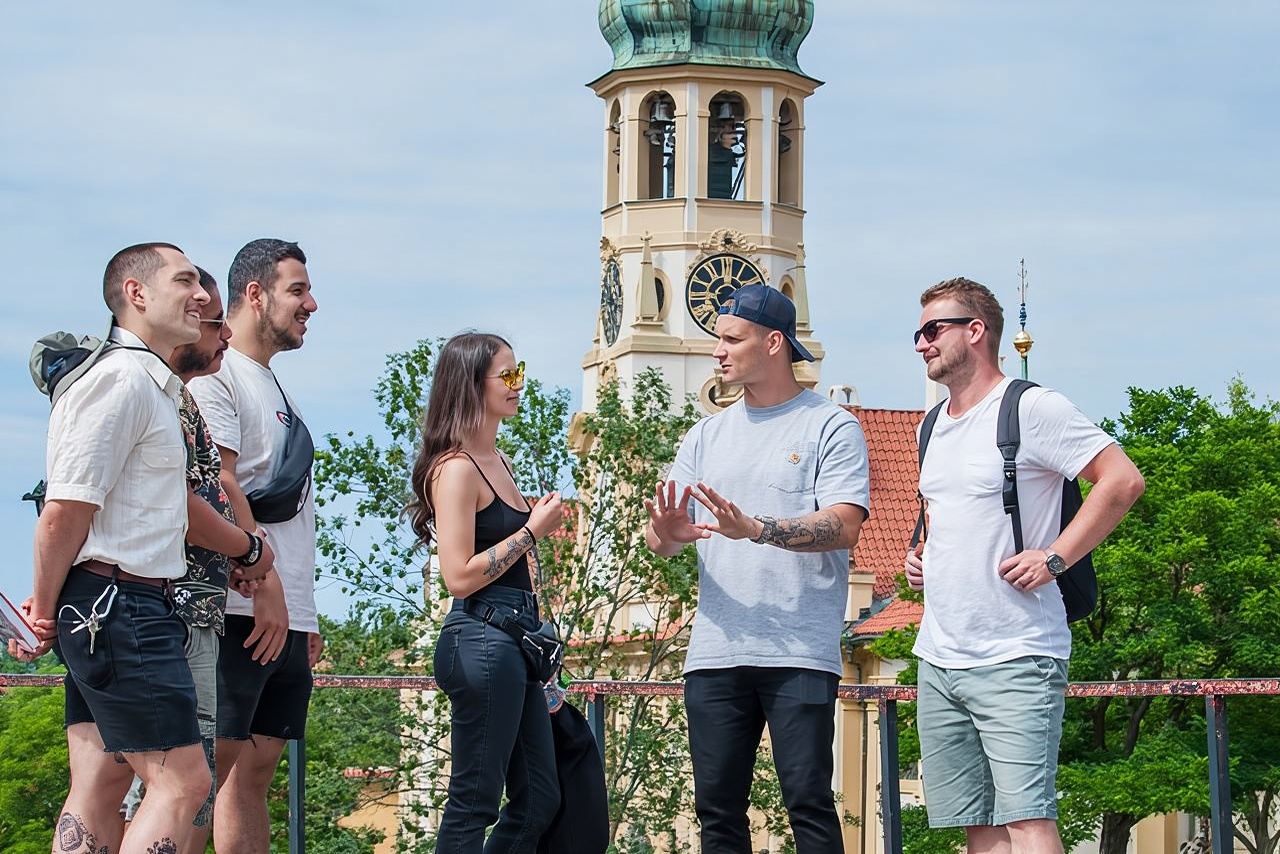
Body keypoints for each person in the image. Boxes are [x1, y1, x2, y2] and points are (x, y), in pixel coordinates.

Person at [904, 277, 1144, 853]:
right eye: (919, 333)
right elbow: (948, 512)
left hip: (1016, 653)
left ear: (976, 331)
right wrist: (923, 557)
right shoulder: (930, 425)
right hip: (940, 656)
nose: (921, 344)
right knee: (978, 826)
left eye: (933, 330)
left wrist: (1056, 556)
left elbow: (1123, 480)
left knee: (1028, 823)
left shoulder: (1031, 407)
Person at [644, 284, 870, 854]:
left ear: (774, 343)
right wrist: (665, 534)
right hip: (716, 652)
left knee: (808, 804)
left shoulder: (830, 426)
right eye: (717, 338)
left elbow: (844, 525)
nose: (717, 351)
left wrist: (761, 529)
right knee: (717, 813)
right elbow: (661, 539)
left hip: (798, 652)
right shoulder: (705, 434)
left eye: (730, 339)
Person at [12, 243, 215, 854]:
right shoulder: (122, 379)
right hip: (118, 604)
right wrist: (44, 611)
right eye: (185, 281)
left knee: (101, 779)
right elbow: (64, 511)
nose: (203, 295)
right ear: (136, 293)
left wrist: (54, 606)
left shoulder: (145, 382)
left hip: (104, 603)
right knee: (182, 780)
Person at [119, 266, 276, 850]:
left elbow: (213, 486)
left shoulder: (171, 394)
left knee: (161, 785)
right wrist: (250, 548)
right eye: (211, 322)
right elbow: (181, 501)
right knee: (176, 785)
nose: (224, 337)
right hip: (162, 607)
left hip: (171, 605)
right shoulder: (140, 386)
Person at [407, 332, 565, 852]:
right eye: (509, 375)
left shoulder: (498, 459)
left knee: (540, 798)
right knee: (474, 802)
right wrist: (531, 532)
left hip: (514, 642)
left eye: (520, 373)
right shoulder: (456, 470)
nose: (520, 386)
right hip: (480, 639)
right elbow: (459, 575)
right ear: (473, 385)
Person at [188, 238, 320, 852]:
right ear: (254, 293)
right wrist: (266, 588)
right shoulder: (220, 378)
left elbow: (291, 510)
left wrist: (304, 608)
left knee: (254, 776)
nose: (311, 304)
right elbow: (222, 482)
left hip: (285, 611)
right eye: (298, 290)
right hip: (242, 606)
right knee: (201, 777)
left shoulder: (274, 387)